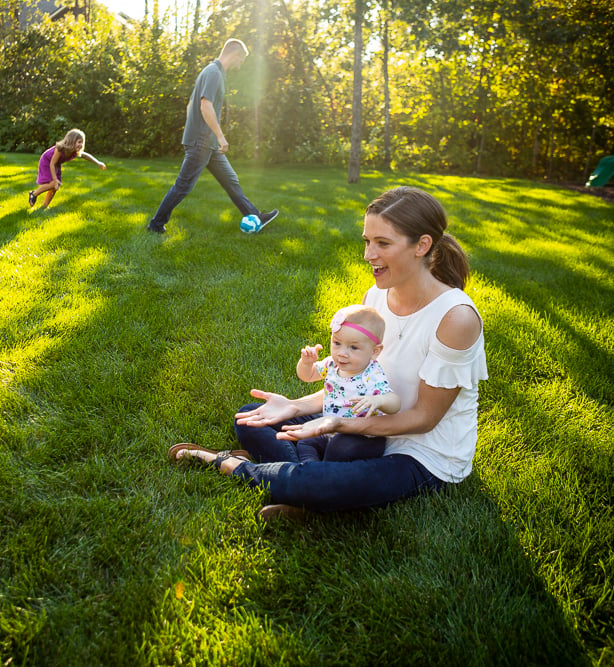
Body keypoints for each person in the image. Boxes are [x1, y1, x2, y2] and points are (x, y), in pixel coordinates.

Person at [169, 186, 487, 519]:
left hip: (422, 454)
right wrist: (295, 405)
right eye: (367, 241)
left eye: (383, 243)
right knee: (253, 416)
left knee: (312, 478)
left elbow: (425, 419)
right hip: (361, 424)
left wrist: (338, 424)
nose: (368, 255)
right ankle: (309, 485)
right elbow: (353, 381)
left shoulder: (456, 318)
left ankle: (231, 463)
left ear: (422, 245)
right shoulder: (375, 298)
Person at [146, 38, 278, 234]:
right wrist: (220, 136)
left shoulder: (210, 72)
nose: (240, 65)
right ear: (235, 55)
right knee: (183, 186)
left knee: (230, 179)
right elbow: (204, 105)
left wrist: (197, 131)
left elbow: (190, 105)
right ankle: (156, 224)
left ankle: (254, 215)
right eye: (241, 60)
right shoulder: (214, 73)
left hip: (206, 142)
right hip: (202, 142)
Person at [292, 304, 400, 462]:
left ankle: (320, 470)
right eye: (337, 343)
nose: (342, 353)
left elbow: (395, 403)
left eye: (354, 347)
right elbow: (307, 376)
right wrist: (306, 363)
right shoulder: (332, 364)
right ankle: (311, 467)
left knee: (340, 447)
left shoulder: (371, 375)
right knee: (306, 442)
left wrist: (378, 400)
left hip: (363, 438)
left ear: (375, 351)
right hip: (331, 428)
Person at [29, 128, 106, 211]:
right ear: (71, 141)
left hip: (56, 164)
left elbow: (86, 156)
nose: (81, 145)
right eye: (79, 142)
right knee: (53, 183)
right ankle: (34, 194)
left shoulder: (74, 151)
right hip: (47, 162)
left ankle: (44, 207)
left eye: (82, 142)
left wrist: (98, 163)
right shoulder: (60, 148)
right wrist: (55, 179)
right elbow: (52, 163)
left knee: (55, 187)